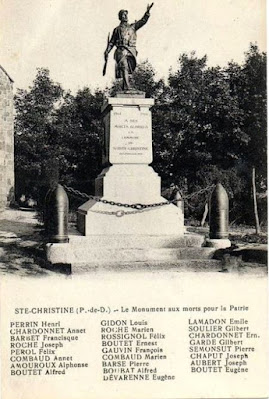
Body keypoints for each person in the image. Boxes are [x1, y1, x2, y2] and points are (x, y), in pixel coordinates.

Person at [104, 4, 154, 90]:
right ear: (120, 17)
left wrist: (147, 12)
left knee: (127, 68)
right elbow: (112, 42)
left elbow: (143, 21)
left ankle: (125, 86)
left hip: (130, 50)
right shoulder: (117, 29)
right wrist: (107, 51)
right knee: (124, 66)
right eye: (123, 15)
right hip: (121, 50)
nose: (126, 16)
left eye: (126, 14)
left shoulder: (133, 27)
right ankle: (127, 87)